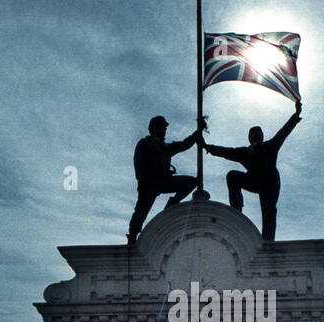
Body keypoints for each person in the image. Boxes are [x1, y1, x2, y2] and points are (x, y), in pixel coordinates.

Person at [204, 101, 301, 241]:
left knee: (269, 212)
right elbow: (227, 152)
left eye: (257, 134)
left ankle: (268, 241)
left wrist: (296, 115)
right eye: (252, 135)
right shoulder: (245, 152)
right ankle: (237, 212)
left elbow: (283, 132)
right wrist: (208, 147)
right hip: (254, 181)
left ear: (261, 136)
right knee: (232, 176)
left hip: (270, 184)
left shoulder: (270, 146)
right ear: (249, 138)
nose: (255, 136)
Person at [128, 115, 207, 243]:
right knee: (141, 211)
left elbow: (184, 144)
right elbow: (138, 163)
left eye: (164, 127)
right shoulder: (144, 143)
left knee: (191, 181)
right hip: (148, 183)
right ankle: (132, 236)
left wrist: (199, 130)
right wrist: (142, 180)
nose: (164, 130)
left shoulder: (166, 147)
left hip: (164, 181)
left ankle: (171, 206)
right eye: (161, 127)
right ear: (152, 128)